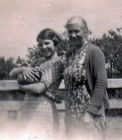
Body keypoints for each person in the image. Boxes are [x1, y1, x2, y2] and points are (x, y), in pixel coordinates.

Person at [9, 28, 64, 138]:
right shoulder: (38, 62)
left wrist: (20, 85)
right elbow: (12, 73)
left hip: (42, 109)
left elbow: (39, 88)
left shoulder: (58, 63)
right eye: (40, 44)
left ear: (55, 43)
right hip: (28, 107)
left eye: (47, 43)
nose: (43, 47)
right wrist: (23, 69)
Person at [63, 16, 109, 139]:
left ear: (85, 31)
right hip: (71, 116)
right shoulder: (69, 55)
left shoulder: (94, 52)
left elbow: (101, 83)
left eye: (76, 31)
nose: (72, 35)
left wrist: (90, 113)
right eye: (70, 32)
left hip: (89, 115)